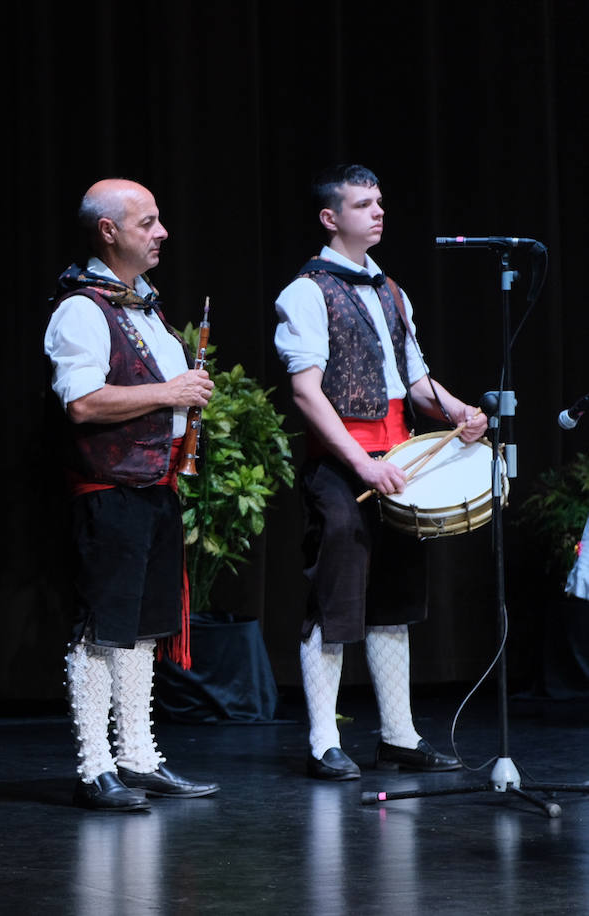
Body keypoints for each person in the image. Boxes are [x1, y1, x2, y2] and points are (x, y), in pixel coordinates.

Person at [274, 164, 487, 780]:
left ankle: (399, 736)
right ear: (330, 217)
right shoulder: (306, 292)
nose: (378, 211)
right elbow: (308, 394)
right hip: (344, 469)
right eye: (363, 204)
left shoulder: (393, 292)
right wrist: (361, 461)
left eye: (380, 202)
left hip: (402, 464)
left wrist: (457, 411)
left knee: (395, 601)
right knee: (336, 602)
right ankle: (322, 740)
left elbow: (416, 382)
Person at [43, 178, 221, 811]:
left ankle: (139, 757)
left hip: (155, 486)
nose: (161, 232)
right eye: (147, 222)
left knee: (143, 632)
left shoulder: (144, 307)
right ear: (108, 232)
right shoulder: (83, 309)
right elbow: (85, 402)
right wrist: (172, 393)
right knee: (103, 630)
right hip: (109, 491)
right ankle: (95, 766)